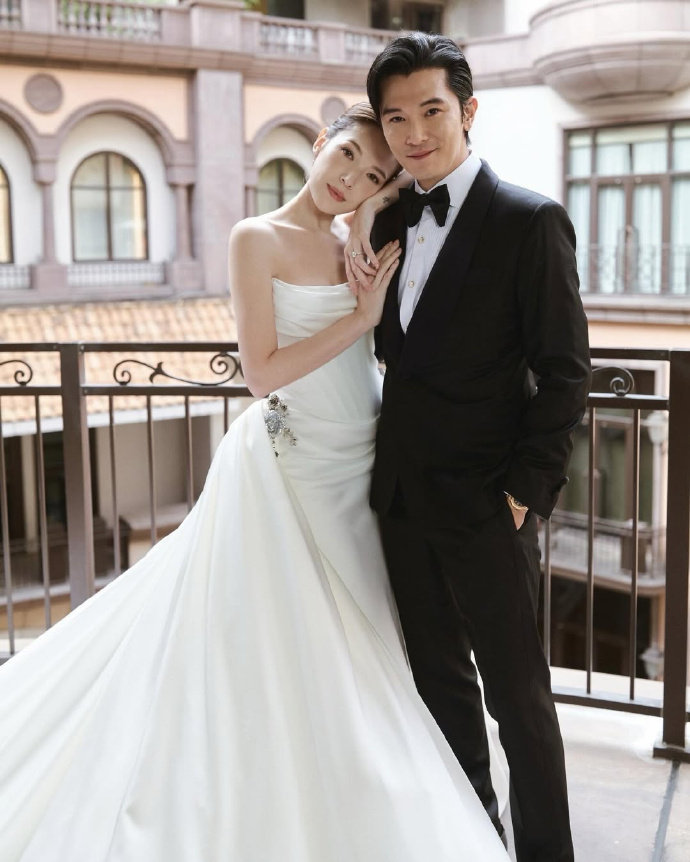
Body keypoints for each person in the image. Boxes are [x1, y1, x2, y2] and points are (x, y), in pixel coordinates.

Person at [0, 104, 509, 861]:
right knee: (295, 636)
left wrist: (372, 213)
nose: (349, 179)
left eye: (372, 174)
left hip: (365, 453)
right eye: (346, 155)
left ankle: (350, 785)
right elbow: (261, 373)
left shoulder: (360, 238)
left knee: (371, 635)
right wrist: (361, 313)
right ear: (319, 142)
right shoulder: (255, 237)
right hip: (295, 461)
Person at [346, 34, 591, 862]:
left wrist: (525, 491)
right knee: (440, 689)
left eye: (432, 111)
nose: (414, 133)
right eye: (395, 119)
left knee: (520, 703)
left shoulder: (529, 220)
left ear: (468, 110)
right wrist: (361, 216)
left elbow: (565, 372)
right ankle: (474, 839)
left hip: (491, 504)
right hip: (402, 498)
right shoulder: (387, 219)